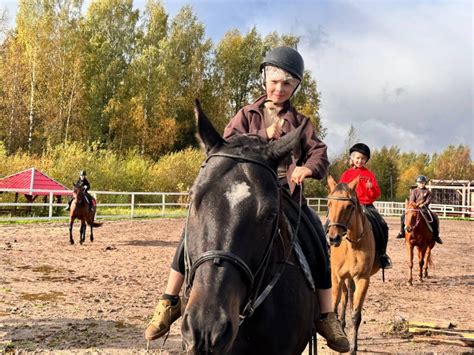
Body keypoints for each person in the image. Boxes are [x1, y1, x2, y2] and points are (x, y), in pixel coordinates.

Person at [145, 46, 350, 353]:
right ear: (264, 78)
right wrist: (266, 136)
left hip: (284, 194)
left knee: (316, 240)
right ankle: (169, 300)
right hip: (243, 191)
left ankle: (326, 315)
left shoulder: (301, 122)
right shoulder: (246, 115)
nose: (279, 89)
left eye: (286, 84)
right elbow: (228, 146)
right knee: (191, 232)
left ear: (295, 87)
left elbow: (319, 152)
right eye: (274, 81)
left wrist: (307, 168)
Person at [339, 143, 393, 269]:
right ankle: (327, 249)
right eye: (357, 158)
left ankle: (382, 255)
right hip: (349, 206)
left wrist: (371, 188)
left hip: (366, 206)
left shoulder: (369, 175)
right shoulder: (346, 174)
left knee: (383, 225)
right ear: (352, 158)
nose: (360, 160)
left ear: (366, 160)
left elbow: (376, 193)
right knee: (331, 223)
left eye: (363, 158)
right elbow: (340, 191)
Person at [396, 175, 443, 243]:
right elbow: (412, 200)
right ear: (417, 183)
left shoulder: (428, 192)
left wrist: (422, 205)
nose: (421, 184)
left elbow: (428, 201)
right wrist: (415, 205)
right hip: (414, 208)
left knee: (435, 217)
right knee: (403, 216)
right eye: (420, 182)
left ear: (425, 183)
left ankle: (436, 236)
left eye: (423, 182)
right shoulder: (414, 191)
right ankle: (402, 232)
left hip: (424, 208)